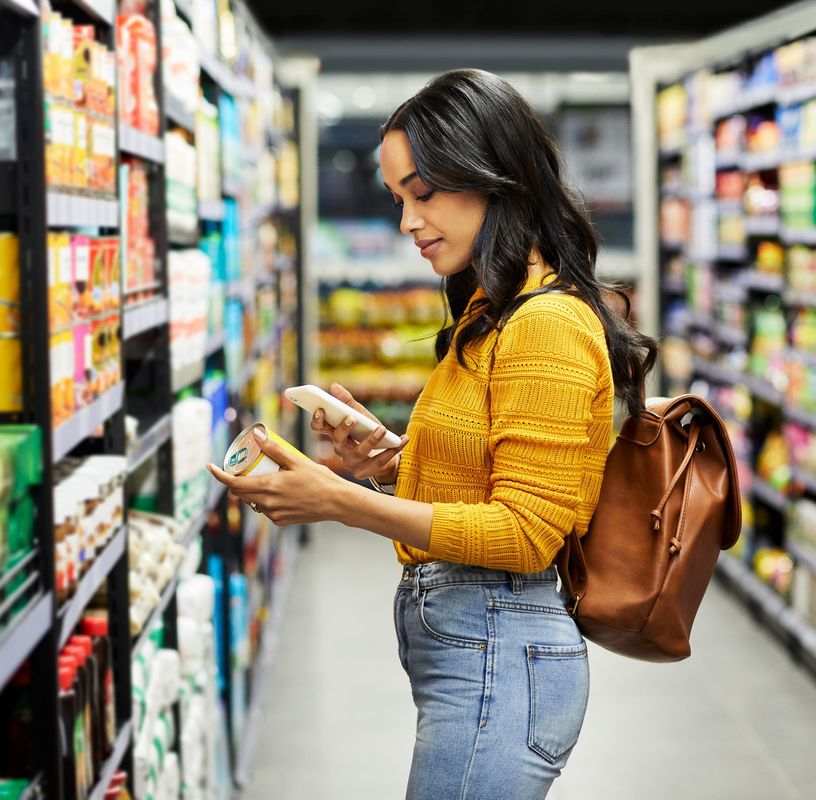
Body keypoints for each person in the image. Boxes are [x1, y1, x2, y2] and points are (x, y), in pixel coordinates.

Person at [208, 68, 658, 800]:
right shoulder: (494, 307)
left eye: (424, 193)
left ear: (496, 178)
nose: (408, 221)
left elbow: (524, 534)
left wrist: (336, 502)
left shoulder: (545, 323)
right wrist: (388, 461)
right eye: (397, 200)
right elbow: (488, 478)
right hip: (479, 647)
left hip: (500, 650)